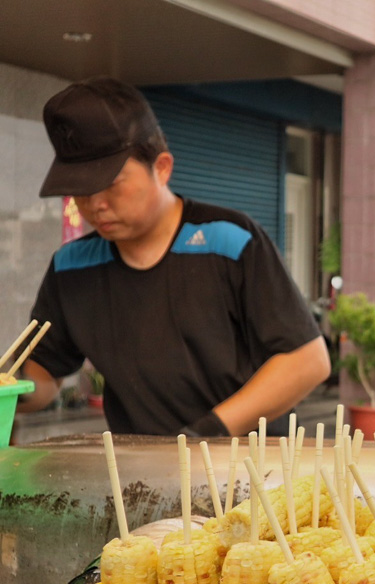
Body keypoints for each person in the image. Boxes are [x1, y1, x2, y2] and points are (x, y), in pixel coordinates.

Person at [16, 76, 330, 437]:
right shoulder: (71, 267)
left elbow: (308, 361)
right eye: (80, 190)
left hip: (249, 470)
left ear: (162, 167)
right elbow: (41, 374)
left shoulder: (229, 241)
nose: (95, 205)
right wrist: (10, 389)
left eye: (110, 185)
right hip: (138, 479)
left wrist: (205, 434)